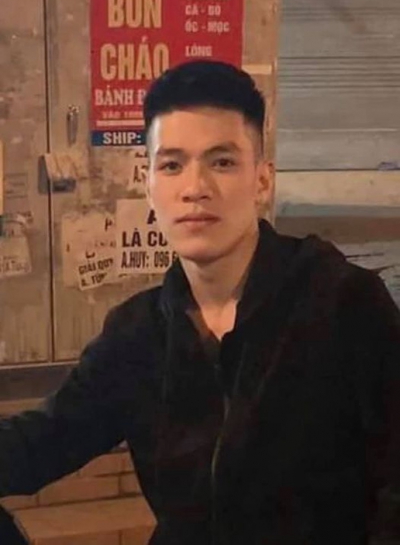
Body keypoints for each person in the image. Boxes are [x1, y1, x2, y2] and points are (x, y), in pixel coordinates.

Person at [1, 60, 400, 544]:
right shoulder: (138, 333)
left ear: (262, 181)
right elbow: (43, 441)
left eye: (222, 162)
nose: (195, 189)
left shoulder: (343, 304)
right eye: (172, 165)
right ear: (149, 185)